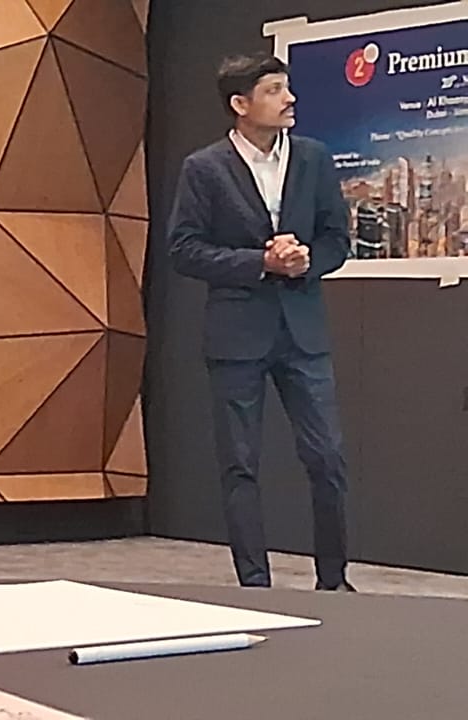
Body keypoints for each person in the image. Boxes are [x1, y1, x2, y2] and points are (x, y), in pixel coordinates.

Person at [168, 53, 353, 591]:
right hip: (236, 336)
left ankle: (334, 581)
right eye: (274, 90)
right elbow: (184, 249)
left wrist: (305, 261)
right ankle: (256, 586)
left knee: (327, 457)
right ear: (240, 104)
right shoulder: (204, 168)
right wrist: (260, 263)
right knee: (241, 465)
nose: (289, 98)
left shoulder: (314, 159)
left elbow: (337, 239)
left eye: (287, 88)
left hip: (303, 332)